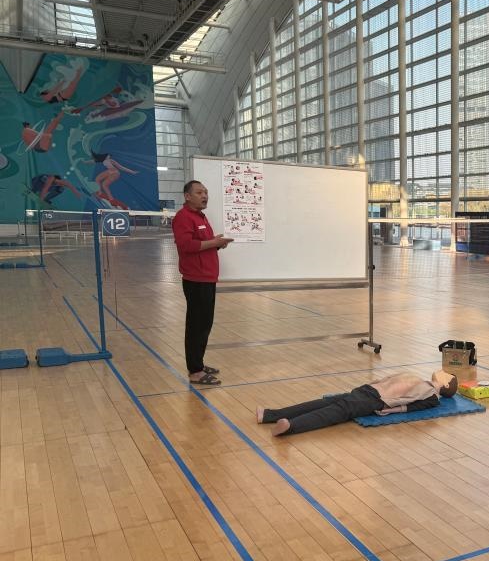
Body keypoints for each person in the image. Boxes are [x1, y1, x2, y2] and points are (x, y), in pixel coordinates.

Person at [256, 370, 459, 436]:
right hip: (368, 390)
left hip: (375, 401)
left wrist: (389, 411)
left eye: (447, 374)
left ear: (446, 383)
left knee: (333, 412)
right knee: (323, 403)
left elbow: (412, 407)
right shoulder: (419, 378)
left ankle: (291, 426)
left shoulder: (432, 396)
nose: (443, 370)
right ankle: (270, 414)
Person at [172, 180, 233, 385]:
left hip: (207, 278)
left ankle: (198, 362)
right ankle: (195, 371)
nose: (204, 195)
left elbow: (202, 244)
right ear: (187, 196)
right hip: (196, 280)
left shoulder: (201, 217)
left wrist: (216, 243)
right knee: (196, 326)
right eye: (199, 192)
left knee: (204, 324)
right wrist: (214, 242)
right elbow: (186, 245)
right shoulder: (183, 217)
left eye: (206, 192)